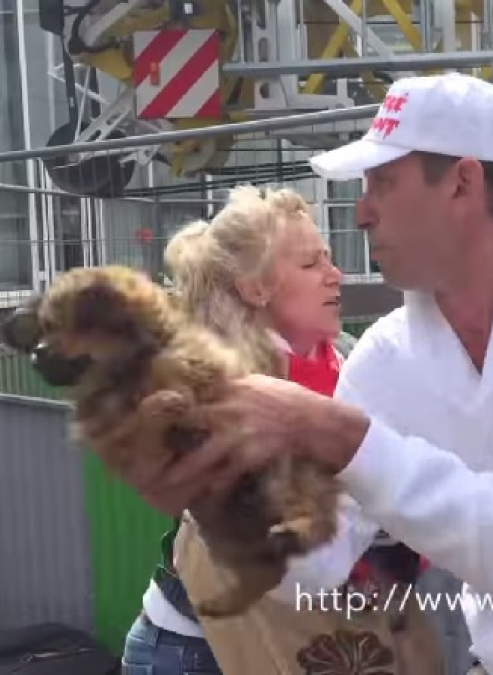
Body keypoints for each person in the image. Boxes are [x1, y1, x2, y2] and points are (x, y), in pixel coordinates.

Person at [94, 72, 493, 675]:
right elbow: (313, 566)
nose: (363, 212)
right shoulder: (389, 357)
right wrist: (212, 493)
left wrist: (336, 435)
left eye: (383, 183)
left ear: (462, 183)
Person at [121, 185, 438, 675]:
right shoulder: (225, 394)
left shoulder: (347, 359)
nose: (337, 277)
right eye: (311, 265)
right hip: (196, 654)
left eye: (330, 260)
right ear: (256, 287)